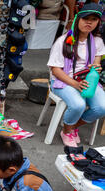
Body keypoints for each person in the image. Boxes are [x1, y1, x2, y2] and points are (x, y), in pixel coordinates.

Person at [47, 3, 105, 147]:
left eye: (94, 19)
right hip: (63, 81)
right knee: (78, 104)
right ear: (78, 19)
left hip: (85, 80)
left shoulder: (97, 41)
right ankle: (66, 131)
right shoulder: (63, 41)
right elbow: (56, 70)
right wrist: (75, 85)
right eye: (86, 18)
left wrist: (95, 68)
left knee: (101, 107)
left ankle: (72, 126)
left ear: (98, 23)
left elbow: (97, 65)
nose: (89, 22)